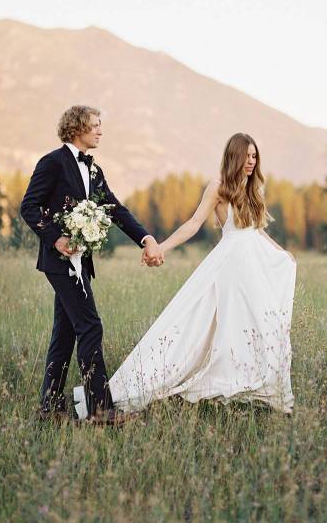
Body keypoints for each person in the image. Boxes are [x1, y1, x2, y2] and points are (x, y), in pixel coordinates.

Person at [101, 132, 296, 414]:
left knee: (266, 326)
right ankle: (202, 382)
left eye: (255, 156)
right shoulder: (218, 186)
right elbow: (193, 224)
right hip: (231, 266)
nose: (252, 162)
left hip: (255, 267)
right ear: (235, 156)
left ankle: (262, 389)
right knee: (208, 323)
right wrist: (162, 247)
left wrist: (283, 254)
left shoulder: (252, 189)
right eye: (247, 156)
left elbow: (257, 231)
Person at [20, 105, 164, 426]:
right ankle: (100, 409)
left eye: (101, 125)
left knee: (66, 332)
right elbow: (29, 206)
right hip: (60, 261)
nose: (100, 131)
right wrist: (56, 238)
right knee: (90, 326)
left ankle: (50, 409)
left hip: (81, 262)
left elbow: (114, 209)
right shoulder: (52, 162)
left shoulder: (93, 169)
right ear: (76, 128)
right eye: (95, 125)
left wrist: (146, 239)